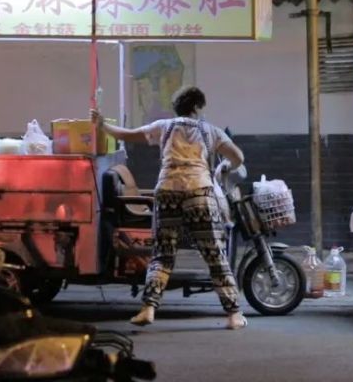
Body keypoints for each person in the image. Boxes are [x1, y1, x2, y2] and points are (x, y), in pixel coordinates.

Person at [91, 86, 248, 330]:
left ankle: (149, 308)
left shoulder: (163, 126)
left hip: (167, 193)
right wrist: (225, 166)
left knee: (162, 255)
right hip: (200, 193)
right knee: (214, 253)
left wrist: (102, 125)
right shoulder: (211, 131)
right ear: (197, 107)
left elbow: (127, 134)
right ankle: (234, 314)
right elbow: (238, 156)